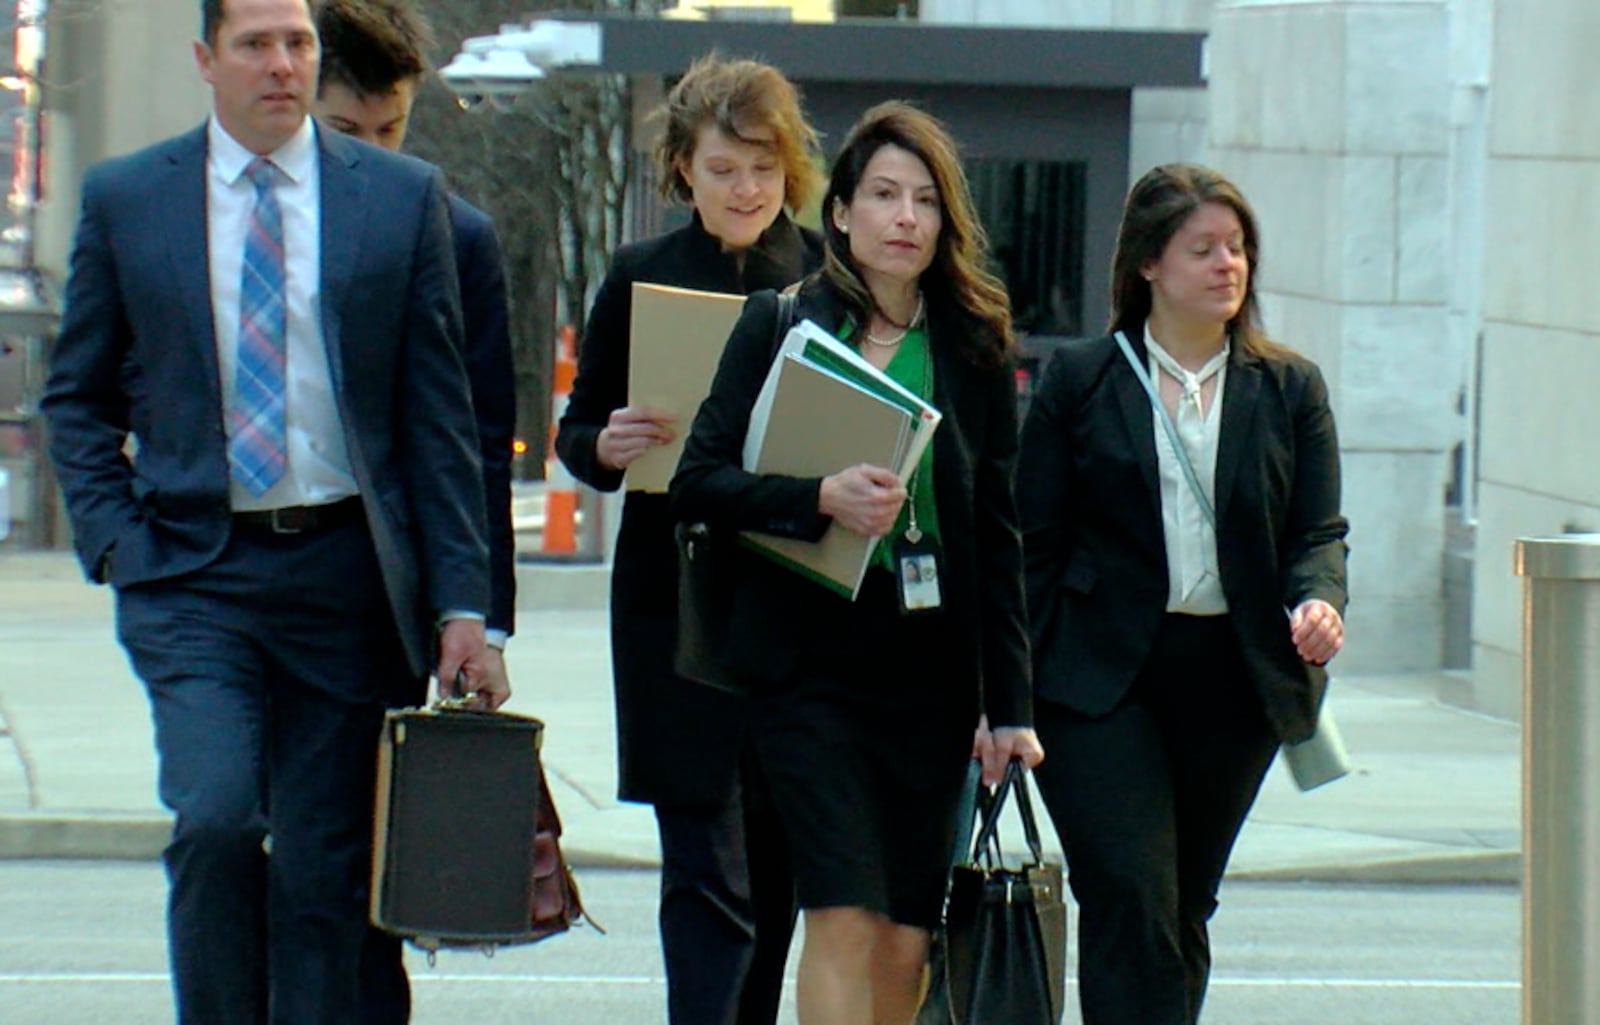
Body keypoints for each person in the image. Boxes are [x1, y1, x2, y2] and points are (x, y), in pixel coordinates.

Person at [40, 0, 500, 1021]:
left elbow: (438, 425)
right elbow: (75, 398)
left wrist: (463, 603)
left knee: (322, 872)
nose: (282, 65)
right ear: (207, 60)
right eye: (256, 44)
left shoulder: (396, 198)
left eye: (297, 44)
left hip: (342, 578)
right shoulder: (130, 199)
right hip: (192, 570)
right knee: (210, 816)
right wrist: (116, 539)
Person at [671, 101, 1045, 1025]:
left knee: (905, 935)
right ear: (839, 212)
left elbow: (996, 533)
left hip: (930, 669)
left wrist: (1012, 706)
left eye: (924, 199)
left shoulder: (973, 345)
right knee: (839, 909)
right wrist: (817, 497)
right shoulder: (779, 324)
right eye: (883, 193)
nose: (904, 217)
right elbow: (699, 480)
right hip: (808, 665)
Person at [1017, 163, 1349, 1025]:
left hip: (1232, 679)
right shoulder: (1080, 381)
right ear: (1148, 266)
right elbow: (1032, 549)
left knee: (1181, 903)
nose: (1227, 265)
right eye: (1202, 249)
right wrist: (1003, 698)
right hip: (1096, 680)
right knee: (1129, 889)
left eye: (1237, 248)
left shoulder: (1289, 388)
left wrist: (1319, 601)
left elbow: (1316, 533)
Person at [553, 54, 824, 1025]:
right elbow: (576, 434)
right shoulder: (639, 275)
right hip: (674, 599)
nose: (744, 188)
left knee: (781, 854)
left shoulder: (826, 276)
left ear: (789, 168)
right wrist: (607, 439)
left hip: (794, 592)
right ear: (682, 171)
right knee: (702, 854)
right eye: (721, 170)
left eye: (760, 168)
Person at [308, 2, 518, 1019]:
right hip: (260, 579)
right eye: (349, 134)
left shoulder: (451, 228)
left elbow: (474, 441)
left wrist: (478, 613)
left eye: (392, 131)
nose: (378, 156)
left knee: (362, 867)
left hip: (384, 595)